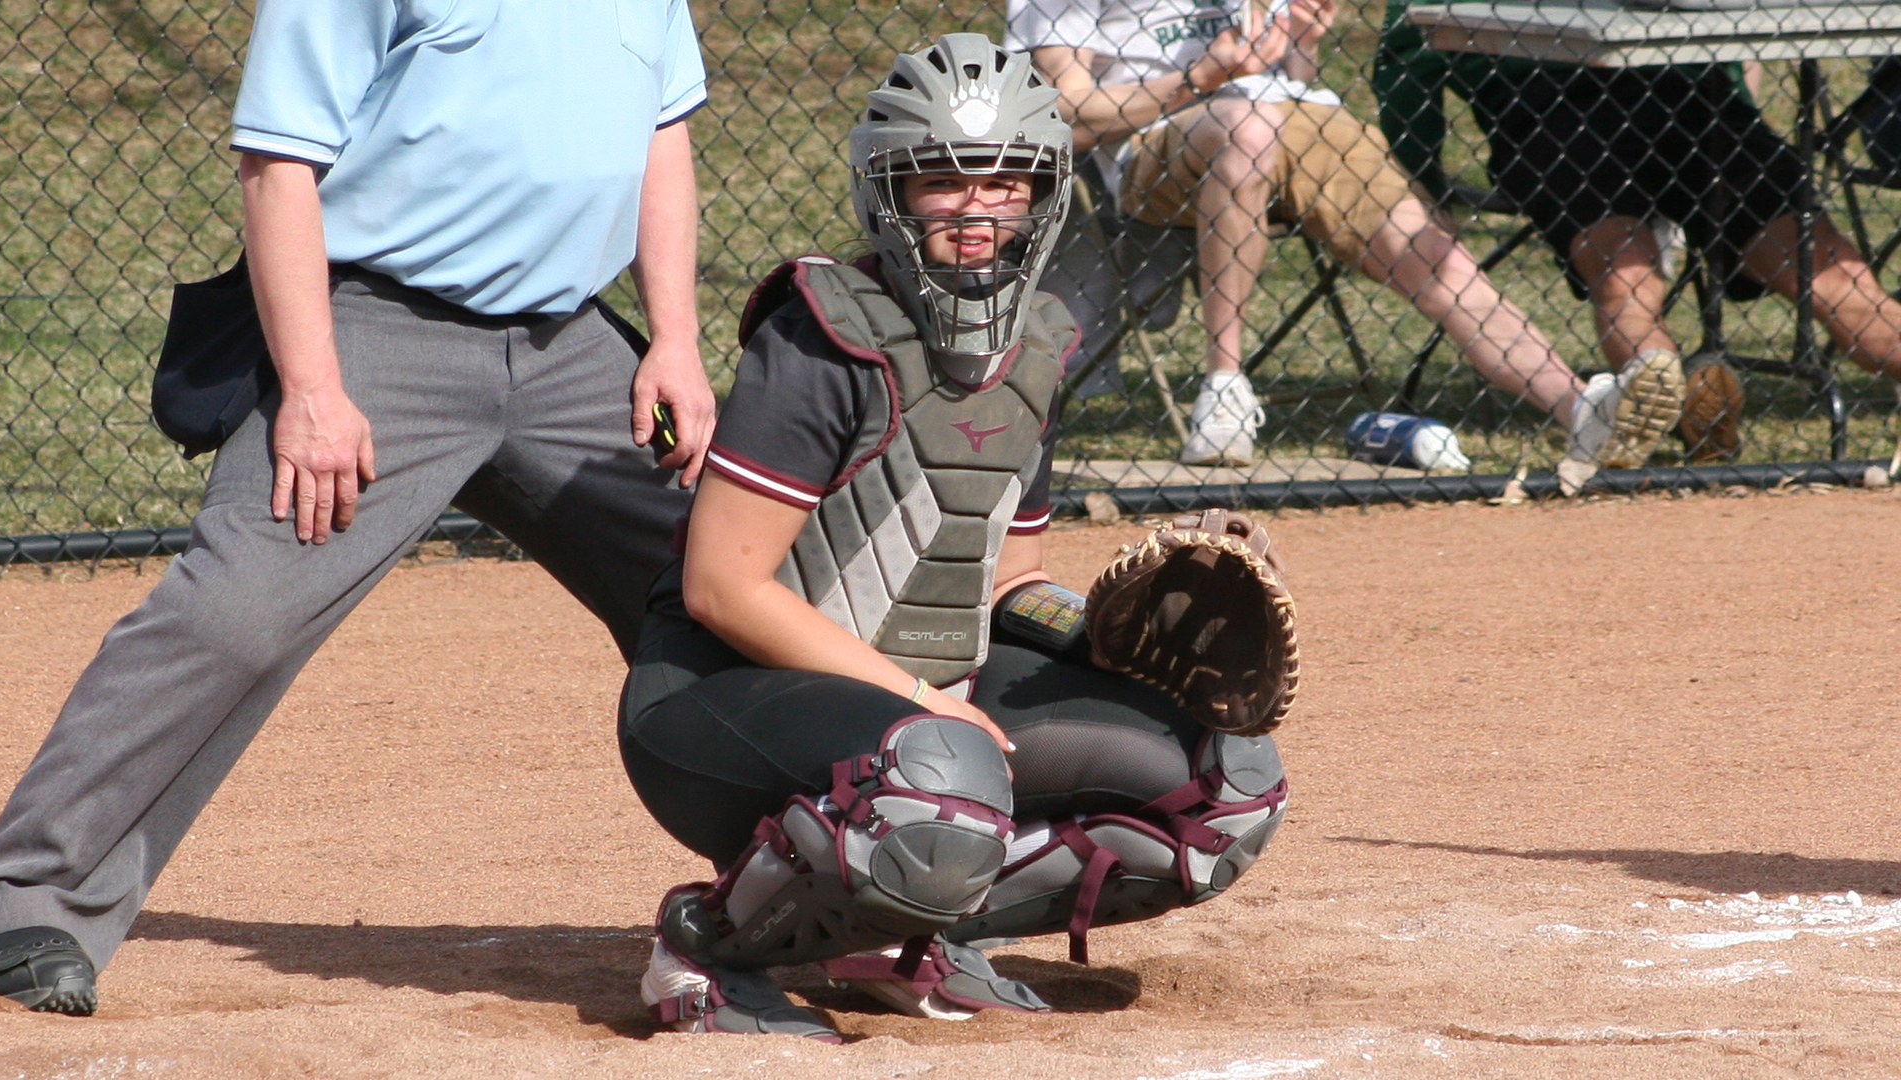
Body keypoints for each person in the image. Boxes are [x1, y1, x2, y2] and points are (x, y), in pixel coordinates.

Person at [0, 0, 715, 1016]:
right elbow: (277, 167)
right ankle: (28, 902)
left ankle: (811, 883)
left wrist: (674, 335)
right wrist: (315, 389)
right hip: (377, 338)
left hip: (569, 353)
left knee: (727, 581)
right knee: (235, 614)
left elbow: (660, 137)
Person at [619, 34, 1288, 1040]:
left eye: (1005, 183)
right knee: (942, 774)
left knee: (1226, 778)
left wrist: (1110, 631)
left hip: (916, 719)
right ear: (885, 191)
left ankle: (886, 936)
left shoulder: (1035, 347)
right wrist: (927, 703)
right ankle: (705, 946)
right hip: (714, 707)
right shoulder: (821, 335)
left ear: (1043, 192)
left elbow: (1012, 580)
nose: (977, 213)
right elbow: (722, 588)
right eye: (940, 181)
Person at [1007, 0, 1681, 477]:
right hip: (1160, 138)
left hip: (1298, 118)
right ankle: (1225, 388)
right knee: (1248, 126)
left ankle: (1579, 409)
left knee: (1426, 251)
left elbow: (1289, 75)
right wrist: (1198, 79)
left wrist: (1301, 37)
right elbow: (1065, 114)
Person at [1376, 3, 1901, 463]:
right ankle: (1665, 392)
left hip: (1691, 99)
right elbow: (1409, 52)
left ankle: (1670, 389)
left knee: (1832, 273)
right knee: (1625, 272)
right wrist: (1426, 181)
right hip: (1553, 116)